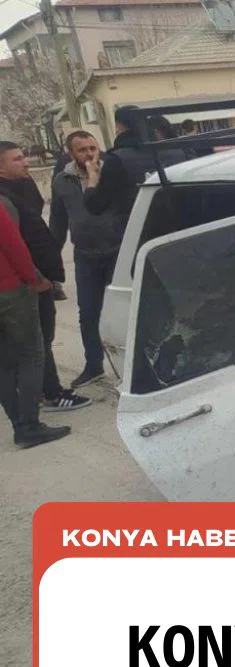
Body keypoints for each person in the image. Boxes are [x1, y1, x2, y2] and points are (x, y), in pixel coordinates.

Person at [0, 141, 93, 413]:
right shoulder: (5, 200)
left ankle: (38, 392)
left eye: (23, 157)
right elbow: (14, 246)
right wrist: (36, 278)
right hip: (27, 283)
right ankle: (50, 394)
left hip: (36, 278)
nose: (26, 162)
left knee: (39, 340)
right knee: (37, 343)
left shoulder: (22, 187)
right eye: (17, 159)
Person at [49, 131, 122, 388]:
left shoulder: (112, 173)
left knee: (124, 311)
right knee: (88, 313)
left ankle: (138, 364)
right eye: (82, 150)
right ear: (70, 153)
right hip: (86, 256)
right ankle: (94, 365)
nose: (90, 154)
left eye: (93, 148)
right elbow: (58, 220)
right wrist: (52, 258)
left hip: (117, 252)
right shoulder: (62, 180)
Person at [0, 206, 72, 449]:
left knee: (3, 363)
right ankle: (30, 424)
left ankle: (18, 425)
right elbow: (13, 244)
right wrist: (34, 279)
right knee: (31, 354)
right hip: (9, 290)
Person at [83, 106, 189, 233]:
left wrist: (92, 178)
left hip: (138, 233)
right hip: (181, 229)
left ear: (119, 128)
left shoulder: (116, 159)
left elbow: (95, 205)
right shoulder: (179, 152)